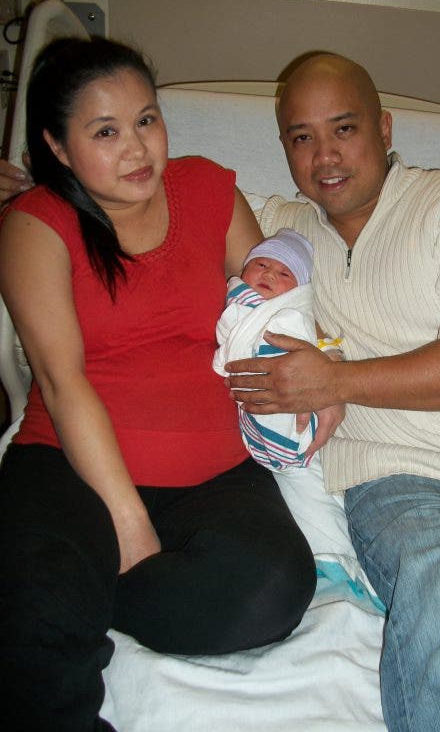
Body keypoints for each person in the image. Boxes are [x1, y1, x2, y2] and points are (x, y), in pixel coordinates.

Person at [224, 53, 440, 732]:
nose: (325, 156)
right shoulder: (285, 233)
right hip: (408, 489)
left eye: (344, 129)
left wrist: (334, 380)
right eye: (301, 138)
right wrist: (50, 188)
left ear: (383, 129)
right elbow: (189, 195)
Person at [0, 37, 316, 732]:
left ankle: (84, 593)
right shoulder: (34, 224)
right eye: (105, 132)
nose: (137, 147)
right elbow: (61, 380)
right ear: (56, 146)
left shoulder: (208, 190)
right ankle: (55, 602)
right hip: (71, 464)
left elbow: (271, 311)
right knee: (35, 631)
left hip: (215, 473)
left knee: (270, 591)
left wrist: (317, 387)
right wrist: (128, 524)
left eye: (146, 119)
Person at [214, 228, 339, 470]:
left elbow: (310, 344)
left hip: (298, 418)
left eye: (284, 273)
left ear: (297, 291)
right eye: (261, 264)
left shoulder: (292, 316)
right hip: (248, 424)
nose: (269, 274)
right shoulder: (237, 301)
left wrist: (332, 367)